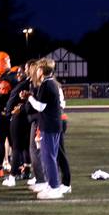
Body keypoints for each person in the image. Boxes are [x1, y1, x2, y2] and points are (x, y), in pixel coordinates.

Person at [22, 58, 66, 200]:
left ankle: (54, 187)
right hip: (52, 124)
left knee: (49, 157)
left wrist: (29, 98)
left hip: (50, 125)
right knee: (49, 157)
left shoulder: (47, 85)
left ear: (42, 70)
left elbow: (41, 106)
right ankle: (51, 184)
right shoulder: (50, 83)